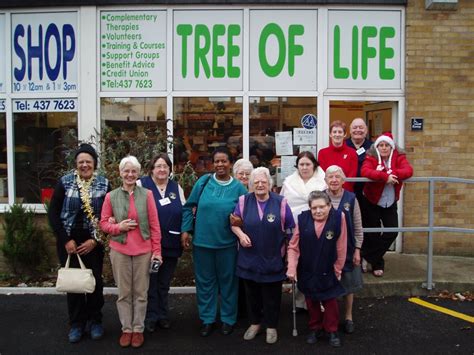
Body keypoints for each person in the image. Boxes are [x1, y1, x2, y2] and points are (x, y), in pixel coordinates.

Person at [181, 147, 247, 337]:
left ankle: (228, 319)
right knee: (205, 283)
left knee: (229, 283)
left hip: (227, 245)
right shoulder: (203, 182)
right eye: (217, 161)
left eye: (224, 161)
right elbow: (189, 207)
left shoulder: (238, 188)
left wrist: (241, 221)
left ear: (230, 163)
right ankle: (207, 319)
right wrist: (186, 230)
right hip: (202, 244)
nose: (220, 164)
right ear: (212, 163)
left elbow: (247, 214)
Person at [48, 143, 110, 343]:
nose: (84, 165)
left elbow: (108, 216)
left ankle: (95, 320)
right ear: (76, 164)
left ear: (95, 164)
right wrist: (65, 240)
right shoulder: (65, 182)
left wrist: (95, 239)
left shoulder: (103, 183)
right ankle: (76, 323)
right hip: (69, 242)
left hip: (93, 242)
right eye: (81, 162)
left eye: (88, 161)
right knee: (74, 283)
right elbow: (53, 214)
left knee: (95, 283)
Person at [100, 156, 162, 348]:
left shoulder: (147, 194)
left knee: (141, 293)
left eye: (133, 171)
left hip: (143, 250)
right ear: (120, 173)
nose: (130, 174)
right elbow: (103, 223)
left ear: (138, 174)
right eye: (126, 171)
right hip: (120, 251)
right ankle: (126, 329)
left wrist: (157, 251)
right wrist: (119, 227)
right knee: (124, 293)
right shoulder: (111, 196)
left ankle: (138, 329)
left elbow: (154, 225)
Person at [231, 167, 295, 344]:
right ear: (251, 185)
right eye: (256, 182)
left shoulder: (280, 203)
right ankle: (254, 324)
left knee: (272, 296)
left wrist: (291, 255)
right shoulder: (243, 201)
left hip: (272, 258)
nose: (260, 185)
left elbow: (290, 228)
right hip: (249, 259)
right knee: (252, 295)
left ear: (270, 184)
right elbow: (234, 223)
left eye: (263, 182)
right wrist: (240, 235)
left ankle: (272, 327)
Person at [287, 191, 347, 348]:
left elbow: (341, 245)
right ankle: (315, 328)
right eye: (314, 208)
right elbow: (293, 246)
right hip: (307, 268)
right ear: (310, 208)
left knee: (330, 301)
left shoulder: (338, 217)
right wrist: (291, 268)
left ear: (329, 206)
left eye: (322, 207)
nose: (318, 211)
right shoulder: (303, 218)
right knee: (311, 300)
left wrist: (338, 269)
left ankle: (332, 330)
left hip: (328, 267)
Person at [137, 153, 186, 332]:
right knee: (150, 282)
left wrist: (185, 232)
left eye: (165, 166)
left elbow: (185, 210)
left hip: (171, 243)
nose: (162, 169)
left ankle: (163, 315)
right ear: (152, 169)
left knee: (164, 282)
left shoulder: (175, 187)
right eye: (158, 166)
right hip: (148, 245)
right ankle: (150, 317)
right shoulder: (142, 184)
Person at [361, 133, 413, 277]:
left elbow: (408, 170)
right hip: (372, 200)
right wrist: (385, 177)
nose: (384, 148)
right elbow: (365, 171)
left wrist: (392, 173)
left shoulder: (399, 156)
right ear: (376, 147)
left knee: (392, 231)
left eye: (387, 145)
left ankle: (367, 257)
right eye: (381, 145)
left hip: (390, 201)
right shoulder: (371, 156)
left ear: (392, 147)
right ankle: (378, 264)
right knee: (374, 233)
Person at [280, 151, 327, 310]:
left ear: (314, 165)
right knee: (298, 263)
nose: (305, 167)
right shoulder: (288, 182)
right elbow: (283, 205)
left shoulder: (323, 182)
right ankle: (300, 301)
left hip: (317, 227)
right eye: (302, 164)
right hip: (294, 228)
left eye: (308, 164)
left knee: (316, 263)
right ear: (297, 166)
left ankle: (317, 299)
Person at [325, 165, 363, 334]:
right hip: (326, 249)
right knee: (327, 284)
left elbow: (357, 226)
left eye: (337, 177)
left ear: (343, 180)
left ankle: (348, 317)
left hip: (347, 249)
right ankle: (328, 316)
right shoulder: (320, 197)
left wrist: (357, 249)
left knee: (349, 285)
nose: (334, 180)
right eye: (330, 177)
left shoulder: (351, 198)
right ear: (325, 180)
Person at [231, 158, 254, 320]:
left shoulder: (256, 192)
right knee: (236, 277)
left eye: (248, 174)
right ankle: (238, 311)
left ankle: (251, 310)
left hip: (252, 241)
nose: (244, 177)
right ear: (235, 175)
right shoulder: (231, 191)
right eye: (241, 174)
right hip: (232, 240)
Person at [318, 120, 358, 192]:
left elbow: (352, 176)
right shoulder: (322, 153)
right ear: (330, 134)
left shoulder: (352, 152)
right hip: (327, 193)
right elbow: (323, 175)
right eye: (334, 132)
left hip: (346, 192)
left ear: (344, 134)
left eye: (340, 132)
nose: (337, 134)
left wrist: (340, 191)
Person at [345, 118, 373, 201]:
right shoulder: (343, 145)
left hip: (368, 191)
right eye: (355, 127)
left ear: (366, 130)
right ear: (350, 131)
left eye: (361, 127)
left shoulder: (373, 147)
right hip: (347, 189)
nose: (358, 130)